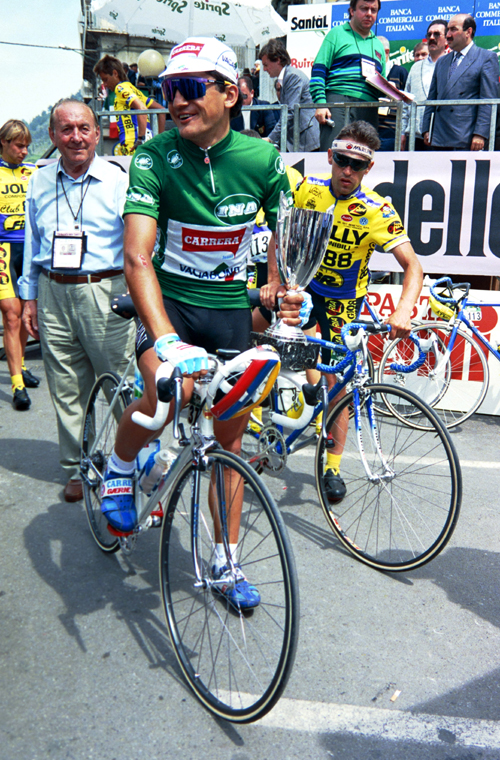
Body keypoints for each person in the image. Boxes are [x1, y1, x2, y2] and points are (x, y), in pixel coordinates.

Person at [99, 37, 300, 610]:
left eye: (189, 89)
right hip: (169, 304)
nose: (176, 102)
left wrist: (282, 291)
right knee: (169, 393)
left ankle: (225, 563)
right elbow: (136, 256)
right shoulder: (154, 155)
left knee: (230, 443)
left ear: (231, 94)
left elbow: (283, 243)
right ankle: (119, 466)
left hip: (229, 312)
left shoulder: (261, 159)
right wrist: (164, 337)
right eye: (169, 91)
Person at [287, 121, 422, 500]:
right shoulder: (307, 190)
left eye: (356, 166)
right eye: (342, 161)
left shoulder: (377, 209)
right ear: (330, 157)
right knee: (260, 340)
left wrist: (403, 310)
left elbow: (414, 266)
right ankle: (295, 397)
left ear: (368, 170)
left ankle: (332, 468)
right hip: (304, 289)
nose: (347, 171)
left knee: (341, 387)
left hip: (344, 305)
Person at [20, 100, 135, 503]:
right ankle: (78, 466)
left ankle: (131, 463)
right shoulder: (39, 178)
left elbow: (138, 244)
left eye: (84, 128)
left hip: (105, 292)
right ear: (52, 136)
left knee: (121, 384)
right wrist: (29, 297)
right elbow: (33, 240)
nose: (76, 137)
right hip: (53, 291)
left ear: (97, 131)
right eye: (66, 129)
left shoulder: (119, 179)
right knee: (66, 386)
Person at [310, 0, 385, 151]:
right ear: (352, 10)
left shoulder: (378, 45)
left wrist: (391, 92)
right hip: (337, 102)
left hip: (369, 106)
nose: (369, 14)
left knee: (364, 157)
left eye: (373, 10)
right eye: (364, 9)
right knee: (333, 154)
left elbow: (381, 84)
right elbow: (318, 70)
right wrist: (321, 103)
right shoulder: (336, 34)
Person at [0, 120, 39, 411]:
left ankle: (21, 363)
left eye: (27, 146)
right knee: (11, 315)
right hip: (3, 249)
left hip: (30, 249)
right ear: (3, 143)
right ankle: (17, 384)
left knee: (27, 311)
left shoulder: (33, 173)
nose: (24, 151)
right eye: (18, 145)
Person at [422, 14, 499, 151]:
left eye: (453, 30)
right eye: (447, 30)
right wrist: (426, 128)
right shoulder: (442, 61)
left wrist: (480, 134)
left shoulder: (486, 58)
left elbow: (488, 100)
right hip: (439, 137)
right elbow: (432, 99)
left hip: (466, 138)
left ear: (468, 32)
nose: (448, 35)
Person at [93, 55, 166, 155]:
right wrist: (159, 139)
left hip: (132, 146)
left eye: (105, 79)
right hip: (145, 145)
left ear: (115, 73)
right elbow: (161, 110)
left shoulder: (120, 88)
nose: (104, 84)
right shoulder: (132, 88)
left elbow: (142, 109)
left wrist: (140, 138)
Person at [260, 39, 319, 152]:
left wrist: (270, 138)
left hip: (306, 141)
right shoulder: (288, 76)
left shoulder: (292, 76)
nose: (264, 69)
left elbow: (289, 112)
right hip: (300, 140)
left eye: (266, 65)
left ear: (277, 60)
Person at [401, 20, 448, 151]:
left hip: (443, 136)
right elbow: (406, 102)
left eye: (437, 34)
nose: (432, 38)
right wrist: (402, 132)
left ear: (447, 38)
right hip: (415, 137)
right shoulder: (415, 67)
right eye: (429, 35)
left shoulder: (454, 65)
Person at [376, 36, 408, 151]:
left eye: (374, 52)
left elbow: (407, 102)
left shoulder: (400, 72)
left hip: (392, 131)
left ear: (386, 52)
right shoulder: (369, 73)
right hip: (371, 130)